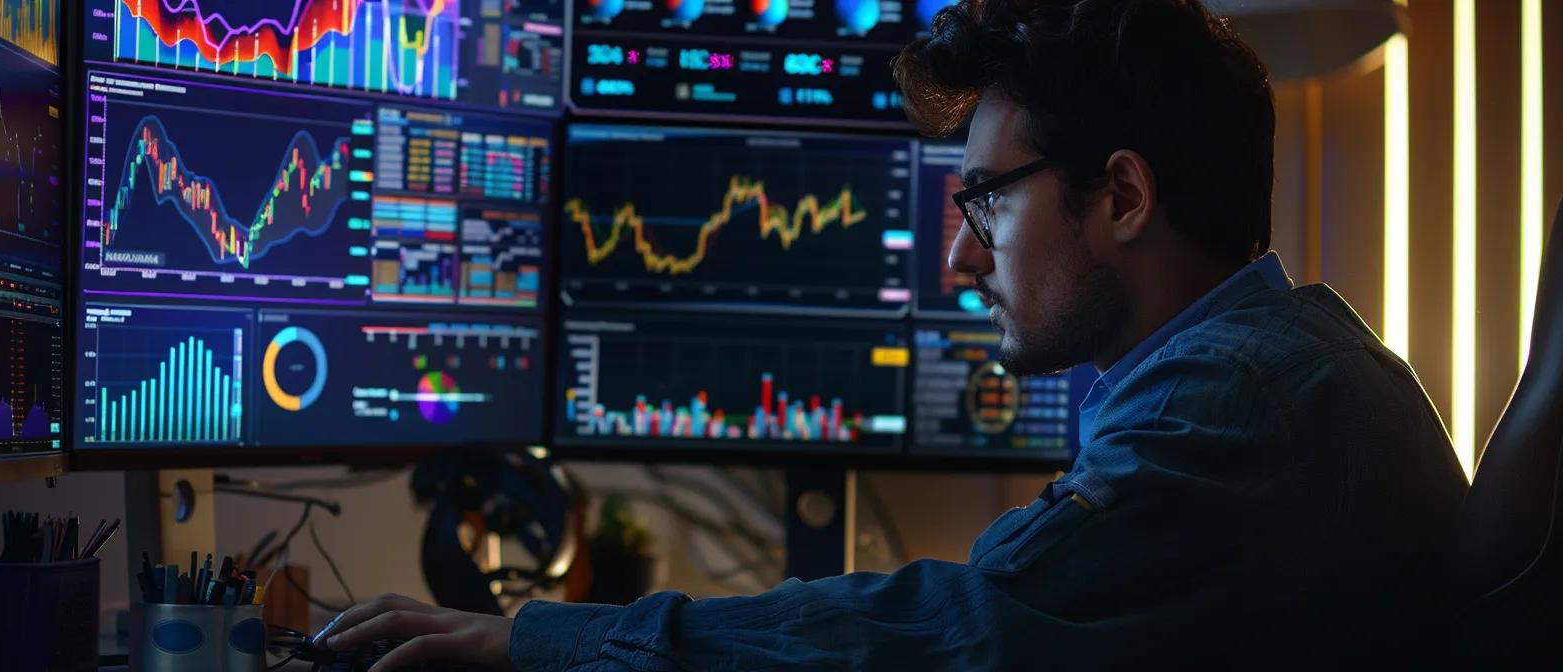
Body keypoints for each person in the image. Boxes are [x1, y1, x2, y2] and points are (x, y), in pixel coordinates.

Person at [316, 0, 1469, 668]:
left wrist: (529, 646)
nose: (959, 256)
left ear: (1120, 197)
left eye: (985, 202)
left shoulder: (1233, 410)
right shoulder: (1277, 369)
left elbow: (954, 635)